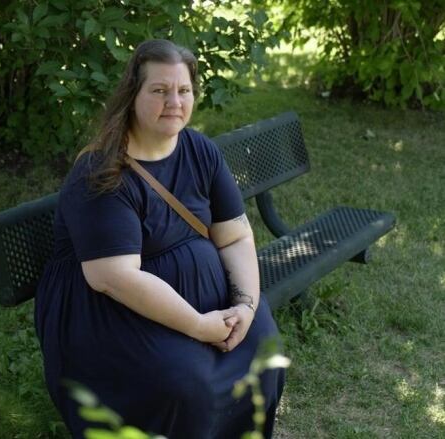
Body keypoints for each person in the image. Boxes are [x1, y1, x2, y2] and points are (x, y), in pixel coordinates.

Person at [34, 39, 285, 438]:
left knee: (261, 349)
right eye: (159, 90)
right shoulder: (103, 172)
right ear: (133, 94)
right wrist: (199, 326)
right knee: (184, 385)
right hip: (111, 315)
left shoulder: (199, 149)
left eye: (183, 90)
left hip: (199, 306)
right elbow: (113, 278)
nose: (174, 101)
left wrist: (246, 306)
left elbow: (235, 236)